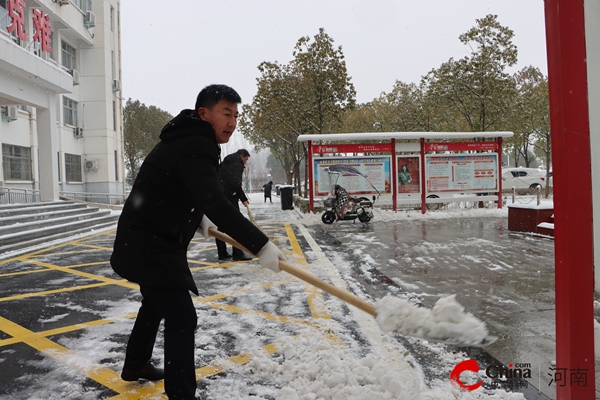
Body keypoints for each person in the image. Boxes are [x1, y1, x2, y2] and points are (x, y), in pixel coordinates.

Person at [110, 84, 285, 400]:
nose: (232, 122)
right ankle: (181, 395)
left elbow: (183, 188)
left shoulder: (189, 139)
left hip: (146, 240)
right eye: (225, 113)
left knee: (154, 302)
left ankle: (136, 364)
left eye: (235, 115)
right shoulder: (197, 143)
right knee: (181, 316)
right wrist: (260, 245)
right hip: (150, 245)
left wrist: (198, 216)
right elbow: (216, 201)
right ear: (204, 113)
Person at [215, 149, 253, 261]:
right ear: (242, 156)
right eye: (245, 160)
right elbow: (235, 183)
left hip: (220, 196)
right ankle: (238, 253)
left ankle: (222, 253)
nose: (245, 163)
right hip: (230, 197)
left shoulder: (227, 161)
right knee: (236, 225)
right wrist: (243, 198)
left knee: (222, 225)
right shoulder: (237, 164)